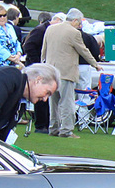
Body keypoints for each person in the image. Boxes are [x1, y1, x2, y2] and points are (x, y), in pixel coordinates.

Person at [40, 8, 99, 137]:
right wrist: (95, 64)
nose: (80, 26)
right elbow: (83, 51)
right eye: (79, 23)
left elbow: (44, 51)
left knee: (53, 102)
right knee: (67, 102)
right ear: (75, 21)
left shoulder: (50, 29)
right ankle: (66, 130)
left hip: (50, 71)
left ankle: (53, 128)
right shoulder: (74, 33)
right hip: (66, 72)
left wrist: (43, 67)